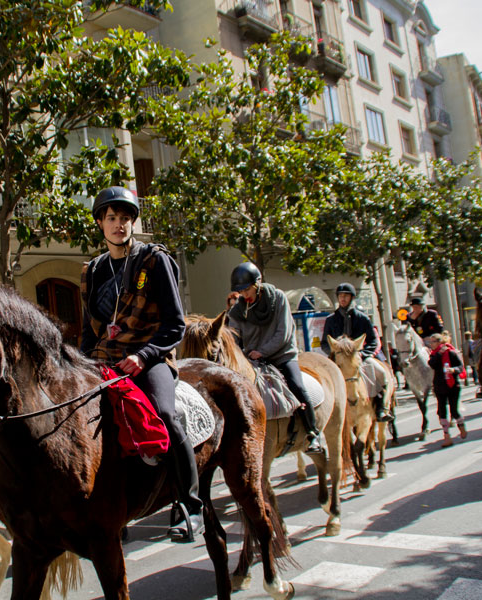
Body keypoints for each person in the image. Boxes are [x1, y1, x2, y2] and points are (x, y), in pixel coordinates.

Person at [80, 187, 203, 542]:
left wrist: (144, 356)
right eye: (111, 218)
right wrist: (81, 364)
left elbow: (175, 325)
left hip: (149, 357)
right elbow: (89, 331)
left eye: (125, 218)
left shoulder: (154, 260)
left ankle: (190, 506)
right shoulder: (93, 271)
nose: (119, 224)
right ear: (100, 223)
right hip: (104, 360)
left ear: (133, 222)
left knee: (165, 414)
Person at [227, 262, 324, 454]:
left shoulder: (278, 298)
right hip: (253, 360)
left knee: (297, 386)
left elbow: (283, 333)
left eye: (247, 289)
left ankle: (312, 433)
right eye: (241, 291)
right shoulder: (237, 311)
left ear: (257, 283)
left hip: (282, 355)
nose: (245, 295)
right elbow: (234, 337)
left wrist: (262, 351)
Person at [321, 283, 393, 422]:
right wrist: (335, 353)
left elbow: (373, 341)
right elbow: (324, 342)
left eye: (346, 296)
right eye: (340, 296)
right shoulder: (330, 320)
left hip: (358, 358)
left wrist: (362, 354)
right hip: (339, 359)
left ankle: (381, 408)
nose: (343, 298)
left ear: (352, 297)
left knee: (381, 373)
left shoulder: (363, 318)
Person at [425, 331, 466, 447]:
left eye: (433, 342)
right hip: (439, 386)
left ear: (439, 342)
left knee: (454, 410)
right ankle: (447, 436)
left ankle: (461, 426)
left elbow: (460, 366)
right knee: (441, 411)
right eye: (430, 342)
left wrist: (454, 370)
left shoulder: (451, 353)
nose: (431, 344)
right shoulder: (434, 354)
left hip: (452, 385)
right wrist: (439, 354)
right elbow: (431, 364)